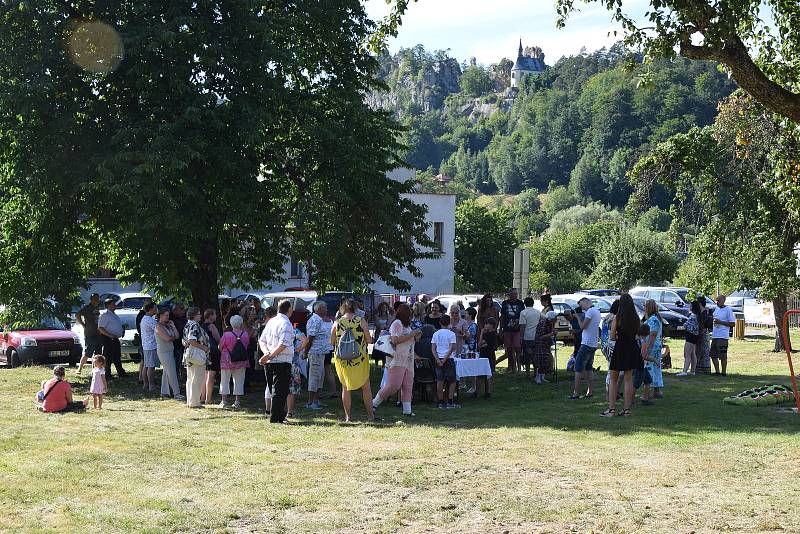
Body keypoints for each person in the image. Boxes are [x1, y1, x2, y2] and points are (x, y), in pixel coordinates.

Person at [329, 298, 375, 423]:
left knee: (346, 387)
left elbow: (332, 342)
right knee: (366, 387)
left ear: (343, 308)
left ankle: (348, 417)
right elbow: (369, 340)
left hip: (343, 360)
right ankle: (371, 416)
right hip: (359, 359)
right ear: (355, 308)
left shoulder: (337, 322)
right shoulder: (361, 321)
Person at [372, 303, 421, 417]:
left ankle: (407, 411)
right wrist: (411, 335)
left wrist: (415, 336)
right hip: (397, 359)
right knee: (393, 385)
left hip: (408, 360)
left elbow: (408, 342)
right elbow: (395, 340)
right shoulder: (397, 323)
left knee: (407, 385)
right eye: (409, 314)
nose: (411, 317)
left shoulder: (407, 326)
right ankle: (373, 404)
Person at [601, 294, 640, 417]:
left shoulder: (617, 318)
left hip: (620, 348)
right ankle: (626, 410)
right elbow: (637, 334)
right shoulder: (636, 318)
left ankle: (611, 409)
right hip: (632, 347)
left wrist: (618, 336)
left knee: (613, 379)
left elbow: (612, 337)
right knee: (628, 379)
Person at [259, 299, 296, 424]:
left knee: (274, 389)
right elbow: (283, 345)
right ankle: (276, 418)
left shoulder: (271, 322)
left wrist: (267, 354)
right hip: (282, 361)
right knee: (280, 391)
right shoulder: (286, 324)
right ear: (289, 310)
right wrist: (269, 355)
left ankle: (278, 416)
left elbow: (262, 340)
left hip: (270, 362)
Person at [218, 314, 250, 409]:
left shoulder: (226, 335)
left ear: (231, 324)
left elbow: (220, 347)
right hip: (241, 361)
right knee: (239, 380)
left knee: (224, 380)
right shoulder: (245, 334)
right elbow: (247, 345)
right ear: (240, 324)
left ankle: (224, 401)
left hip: (227, 361)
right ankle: (237, 401)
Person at [571, 297, 599, 400]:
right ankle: (590, 391)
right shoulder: (596, 311)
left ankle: (576, 393)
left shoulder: (590, 311)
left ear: (587, 302)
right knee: (588, 368)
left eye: (582, 305)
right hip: (593, 343)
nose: (582, 308)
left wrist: (578, 317)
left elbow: (582, 327)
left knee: (578, 368)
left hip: (586, 344)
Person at [183, 307, 211, 409]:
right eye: (199, 314)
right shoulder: (194, 325)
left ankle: (190, 401)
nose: (200, 316)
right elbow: (192, 340)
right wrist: (204, 347)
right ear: (194, 315)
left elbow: (185, 341)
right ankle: (195, 403)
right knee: (197, 379)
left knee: (190, 378)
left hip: (189, 355)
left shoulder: (187, 324)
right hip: (196, 355)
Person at [304, 301, 329, 410]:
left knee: (320, 377)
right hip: (315, 353)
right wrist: (305, 352)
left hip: (321, 353)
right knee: (314, 377)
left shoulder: (319, 320)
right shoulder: (315, 320)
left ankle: (316, 400)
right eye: (325, 308)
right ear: (318, 309)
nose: (326, 310)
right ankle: (310, 402)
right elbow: (310, 338)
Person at [155, 308, 184, 400]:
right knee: (171, 371)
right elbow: (167, 338)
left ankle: (164, 392)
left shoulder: (168, 325)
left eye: (168, 315)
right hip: (163, 351)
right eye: (166, 315)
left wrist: (173, 326)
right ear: (160, 316)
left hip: (170, 350)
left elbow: (177, 336)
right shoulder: (158, 326)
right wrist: (173, 337)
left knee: (166, 371)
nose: (168, 317)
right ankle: (176, 393)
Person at [432, 314, 459, 409]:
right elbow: (453, 347)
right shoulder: (451, 334)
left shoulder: (436, 334)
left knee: (440, 380)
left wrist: (438, 360)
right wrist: (445, 359)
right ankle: (450, 401)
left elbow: (433, 349)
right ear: (449, 323)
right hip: (449, 358)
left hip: (438, 358)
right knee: (452, 381)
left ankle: (440, 401)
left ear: (440, 322)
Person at [98, 298, 126, 379]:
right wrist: (110, 335)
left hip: (115, 338)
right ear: (108, 305)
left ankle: (121, 372)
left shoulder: (114, 315)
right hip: (108, 338)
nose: (115, 305)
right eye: (113, 304)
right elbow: (100, 328)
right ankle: (107, 374)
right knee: (108, 357)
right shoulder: (105, 315)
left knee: (117, 356)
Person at [500, 289, 526, 374]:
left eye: (516, 294)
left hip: (517, 329)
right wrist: (501, 329)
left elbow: (523, 315)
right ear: (510, 294)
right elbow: (502, 317)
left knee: (518, 348)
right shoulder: (504, 303)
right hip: (507, 329)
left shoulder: (520, 303)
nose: (515, 295)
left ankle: (519, 368)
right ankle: (512, 367)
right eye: (513, 294)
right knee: (509, 349)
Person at [643, 299, 665, 400]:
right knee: (656, 368)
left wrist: (648, 347)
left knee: (650, 368)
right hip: (656, 346)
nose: (643, 308)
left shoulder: (653, 320)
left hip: (652, 347)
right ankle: (657, 390)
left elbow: (653, 334)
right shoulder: (656, 318)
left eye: (644, 306)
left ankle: (650, 391)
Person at [76, 293, 102, 375]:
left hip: (98, 333)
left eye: (98, 298)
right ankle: (79, 368)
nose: (97, 300)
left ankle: (95, 370)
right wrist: (83, 324)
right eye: (95, 299)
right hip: (90, 333)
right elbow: (77, 315)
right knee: (88, 352)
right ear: (92, 299)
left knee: (98, 353)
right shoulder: (87, 308)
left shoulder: (97, 308)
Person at [200, 309, 222, 405]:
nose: (216, 316)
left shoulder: (200, 326)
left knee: (204, 375)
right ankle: (208, 398)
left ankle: (202, 396)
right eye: (215, 314)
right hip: (213, 351)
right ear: (210, 316)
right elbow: (218, 339)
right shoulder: (211, 326)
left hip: (203, 351)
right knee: (211, 376)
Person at [711, 294, 736, 376]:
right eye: (716, 300)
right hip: (715, 335)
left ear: (724, 300)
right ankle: (717, 371)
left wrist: (720, 322)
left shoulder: (728, 309)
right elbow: (714, 318)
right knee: (713, 355)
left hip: (723, 336)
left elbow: (732, 324)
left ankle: (723, 372)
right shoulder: (716, 309)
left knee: (723, 355)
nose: (717, 302)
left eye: (719, 300)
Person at [677, 300, 702, 376]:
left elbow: (685, 326)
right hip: (695, 336)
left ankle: (684, 371)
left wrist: (678, 327)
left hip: (690, 336)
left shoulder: (692, 316)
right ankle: (692, 371)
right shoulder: (698, 315)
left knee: (687, 354)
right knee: (692, 353)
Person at [518, 297, 542, 377]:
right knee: (535, 355)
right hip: (536, 336)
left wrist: (521, 337)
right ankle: (535, 372)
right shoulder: (538, 312)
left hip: (526, 337)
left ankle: (528, 373)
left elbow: (522, 326)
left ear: (524, 304)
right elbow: (545, 318)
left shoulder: (523, 313)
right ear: (533, 303)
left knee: (527, 355)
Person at [139, 302, 160, 392]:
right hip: (151, 345)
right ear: (150, 309)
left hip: (146, 345)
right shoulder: (150, 320)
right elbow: (158, 329)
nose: (156, 310)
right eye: (155, 308)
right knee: (151, 366)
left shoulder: (144, 318)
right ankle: (151, 385)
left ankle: (145, 384)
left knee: (146, 366)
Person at [286, 326, 305, 419]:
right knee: (291, 389)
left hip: (279, 360)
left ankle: (277, 409)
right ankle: (289, 412)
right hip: (293, 362)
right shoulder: (294, 331)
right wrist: (298, 349)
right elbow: (305, 340)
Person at [533, 311, 555, 384]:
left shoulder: (550, 323)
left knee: (546, 361)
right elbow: (540, 337)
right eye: (555, 318)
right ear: (551, 318)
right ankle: (538, 377)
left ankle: (542, 377)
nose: (557, 319)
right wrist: (551, 334)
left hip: (546, 344)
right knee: (542, 361)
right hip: (540, 344)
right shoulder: (543, 324)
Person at [372, 301, 394, 367]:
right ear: (380, 308)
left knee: (384, 349)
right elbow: (377, 324)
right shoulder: (377, 316)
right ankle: (376, 364)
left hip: (385, 335)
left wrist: (384, 326)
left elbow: (388, 325)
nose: (384, 308)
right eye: (383, 307)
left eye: (385, 307)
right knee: (377, 348)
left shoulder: (388, 316)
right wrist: (382, 326)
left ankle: (383, 365)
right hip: (378, 334)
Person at [170, 302, 188, 381]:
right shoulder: (171, 318)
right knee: (176, 362)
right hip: (175, 344)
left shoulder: (184, 318)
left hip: (183, 343)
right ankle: (176, 378)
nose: (183, 311)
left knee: (183, 362)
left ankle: (182, 376)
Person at [696, 297, 712, 374]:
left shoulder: (707, 312)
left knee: (705, 351)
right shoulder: (698, 312)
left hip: (704, 332)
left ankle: (705, 369)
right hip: (698, 333)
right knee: (698, 350)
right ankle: (697, 367)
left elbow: (707, 323)